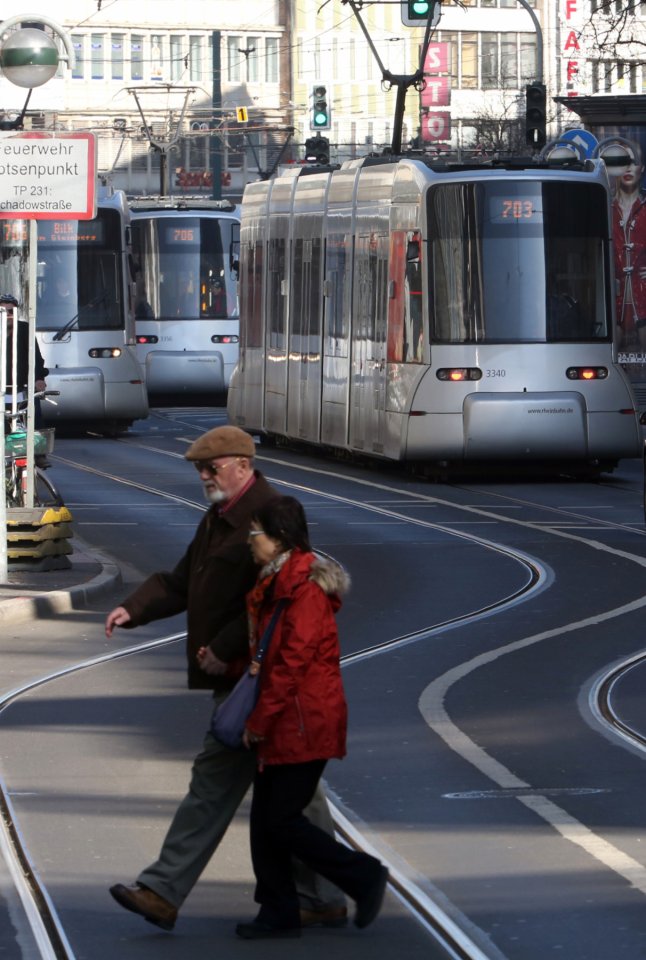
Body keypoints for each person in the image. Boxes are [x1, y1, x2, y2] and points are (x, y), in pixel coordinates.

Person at [106, 426, 346, 932]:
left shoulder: (268, 517)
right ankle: (324, 894)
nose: (202, 476)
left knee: (216, 783)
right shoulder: (219, 519)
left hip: (253, 682)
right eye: (199, 468)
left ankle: (163, 890)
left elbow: (277, 595)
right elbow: (182, 582)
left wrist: (224, 648)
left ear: (241, 463)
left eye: (210, 468)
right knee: (297, 793)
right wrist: (134, 608)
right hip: (245, 680)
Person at [236, 496, 389, 940]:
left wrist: (258, 721)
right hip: (288, 720)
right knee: (267, 820)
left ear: (280, 539)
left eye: (255, 533)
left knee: (281, 819)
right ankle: (278, 911)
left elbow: (290, 664)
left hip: (304, 722)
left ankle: (362, 874)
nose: (250, 541)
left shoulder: (302, 590)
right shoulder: (276, 583)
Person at [611, 140, 646, 352]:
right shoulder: (603, 205)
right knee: (609, 357)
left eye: (633, 162)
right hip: (613, 295)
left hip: (643, 294)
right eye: (622, 162)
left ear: (642, 168)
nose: (628, 168)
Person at [2, 293, 49, 437]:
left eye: (11, 311)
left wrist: (39, 379)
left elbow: (35, 359)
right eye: (3, 312)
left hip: (22, 388)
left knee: (34, 417)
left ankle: (38, 453)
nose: (7, 315)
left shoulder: (24, 330)